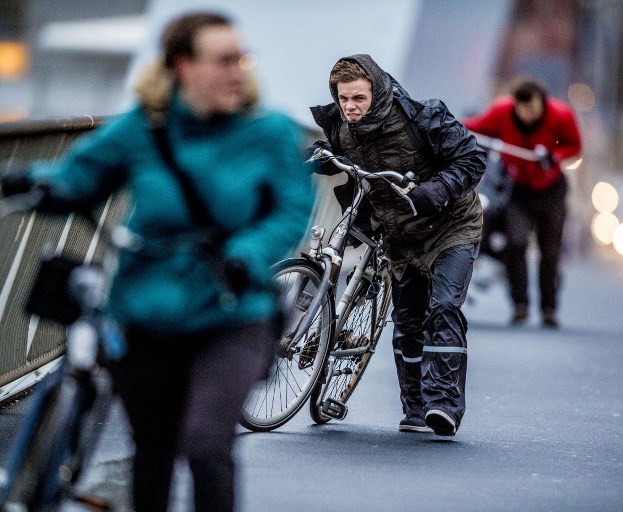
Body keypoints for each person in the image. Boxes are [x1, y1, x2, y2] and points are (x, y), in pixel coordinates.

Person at [1, 11, 314, 512]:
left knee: (208, 445)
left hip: (231, 311)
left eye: (243, 59)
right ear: (182, 66)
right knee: (153, 453)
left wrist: (247, 253)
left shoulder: (271, 132)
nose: (239, 71)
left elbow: (290, 210)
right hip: (147, 311)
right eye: (224, 60)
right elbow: (79, 177)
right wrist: (30, 181)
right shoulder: (143, 129)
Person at [308, 54, 486, 436]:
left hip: (450, 227)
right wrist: (321, 157)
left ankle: (444, 405)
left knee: (443, 308)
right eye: (343, 100)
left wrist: (439, 187)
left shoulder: (422, 117)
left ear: (376, 89)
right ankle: (417, 409)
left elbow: (473, 158)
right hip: (400, 234)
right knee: (407, 323)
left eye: (358, 98)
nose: (350, 108)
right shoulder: (343, 127)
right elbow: (343, 156)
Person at [464, 77, 582, 328]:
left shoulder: (561, 116)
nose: (528, 114)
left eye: (533, 108)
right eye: (523, 108)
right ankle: (520, 304)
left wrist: (555, 154)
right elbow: (476, 127)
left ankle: (548, 307)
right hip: (518, 191)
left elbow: (573, 145)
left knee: (549, 251)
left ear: (543, 104)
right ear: (515, 105)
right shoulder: (502, 113)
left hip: (551, 190)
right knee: (516, 244)